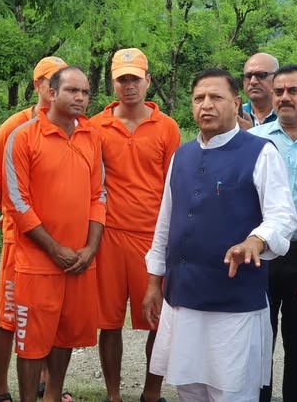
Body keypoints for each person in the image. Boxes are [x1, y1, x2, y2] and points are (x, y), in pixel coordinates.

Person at [143, 68, 297, 401]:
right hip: (183, 298)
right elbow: (165, 223)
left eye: (216, 97)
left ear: (236, 103)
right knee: (189, 389)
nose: (206, 105)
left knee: (231, 391)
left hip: (234, 303)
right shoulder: (181, 156)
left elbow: (283, 215)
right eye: (199, 98)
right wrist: (154, 282)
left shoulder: (260, 152)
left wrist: (256, 240)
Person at [4, 66, 106, 402]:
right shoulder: (23, 136)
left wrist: (90, 248)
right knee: (31, 343)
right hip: (37, 264)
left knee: (66, 336)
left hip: (78, 261)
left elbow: (98, 195)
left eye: (85, 92)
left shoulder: (91, 137)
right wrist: (53, 248)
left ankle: (54, 394)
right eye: (72, 91)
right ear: (51, 92)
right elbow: (17, 202)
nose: (80, 98)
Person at [89, 48, 180, 402]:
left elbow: (174, 185)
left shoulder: (166, 127)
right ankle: (113, 395)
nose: (129, 85)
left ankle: (151, 394)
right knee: (109, 322)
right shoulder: (95, 126)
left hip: (151, 237)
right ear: (113, 83)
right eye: (122, 79)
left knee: (156, 319)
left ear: (148, 81)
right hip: (109, 236)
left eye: (135, 79)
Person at [0, 56, 67, 402]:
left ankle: (47, 384)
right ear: (38, 85)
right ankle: (1, 389)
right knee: (9, 317)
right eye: (50, 80)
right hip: (19, 240)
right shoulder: (15, 127)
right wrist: (10, 212)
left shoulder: (71, 127)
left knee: (48, 316)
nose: (56, 87)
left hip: (57, 238)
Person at [249, 64, 297, 402]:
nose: (284, 97)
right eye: (279, 91)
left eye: (293, 91)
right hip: (263, 252)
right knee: (257, 341)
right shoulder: (254, 141)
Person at [242, 53, 279, 127]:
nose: (253, 81)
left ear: (277, 78)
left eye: (261, 75)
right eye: (248, 76)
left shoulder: (289, 115)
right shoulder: (234, 116)